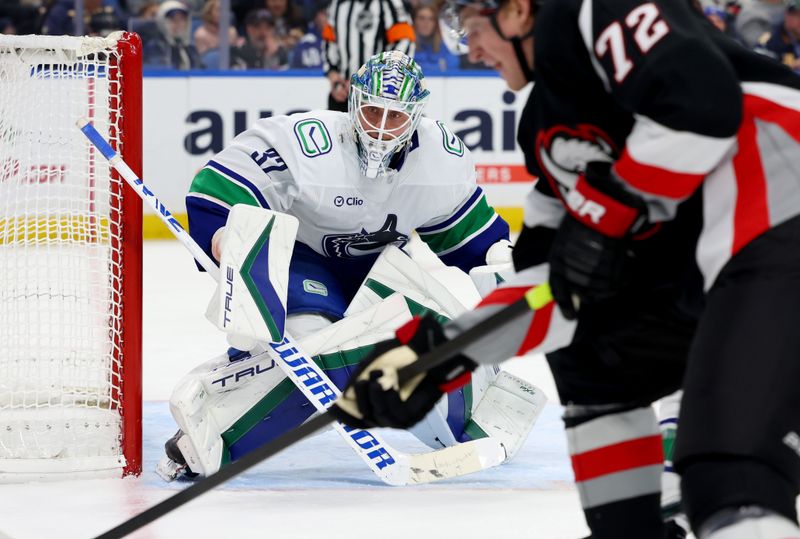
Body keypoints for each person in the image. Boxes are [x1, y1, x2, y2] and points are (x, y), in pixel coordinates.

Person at [331, 1, 800, 539]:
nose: (471, 49)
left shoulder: (595, 13)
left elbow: (704, 103)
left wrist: (610, 212)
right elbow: (550, 287)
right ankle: (629, 528)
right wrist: (435, 358)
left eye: (474, 29)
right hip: (712, 261)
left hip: (783, 210)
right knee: (587, 346)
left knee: (728, 473)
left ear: (517, 11)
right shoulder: (544, 126)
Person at [157, 50, 544, 482]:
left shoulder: (441, 159)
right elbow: (217, 189)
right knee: (314, 345)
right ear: (354, 102)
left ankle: (476, 410)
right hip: (304, 262)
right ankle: (211, 429)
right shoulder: (307, 142)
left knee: (419, 357)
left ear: (415, 117)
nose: (380, 126)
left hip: (379, 271)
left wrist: (504, 262)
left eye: (395, 116)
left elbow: (470, 235)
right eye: (373, 110)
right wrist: (225, 236)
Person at [323, 0, 415, 111]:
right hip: (343, 95)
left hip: (379, 95)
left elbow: (404, 44)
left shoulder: (390, 3)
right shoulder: (337, 3)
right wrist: (334, 77)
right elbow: (329, 42)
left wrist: (369, 79)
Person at [142, 0, 200, 70]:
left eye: (182, 19)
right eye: (173, 20)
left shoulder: (191, 49)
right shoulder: (154, 48)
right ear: (162, 23)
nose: (179, 24)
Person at [756, 0, 800, 73]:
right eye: (797, 15)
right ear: (787, 15)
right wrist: (794, 65)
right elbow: (761, 68)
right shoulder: (770, 40)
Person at [413, 5, 460, 73]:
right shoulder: (405, 44)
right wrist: (440, 66)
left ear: (436, 23)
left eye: (431, 19)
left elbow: (454, 66)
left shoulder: (445, 45)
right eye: (422, 18)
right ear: (414, 21)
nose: (426, 23)